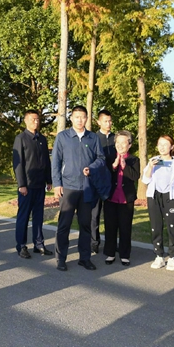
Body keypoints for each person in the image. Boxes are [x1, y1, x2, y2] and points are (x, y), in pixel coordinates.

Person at [51, 106, 106, 271]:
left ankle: (85, 258)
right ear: (71, 118)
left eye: (83, 117)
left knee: (85, 225)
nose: (80, 120)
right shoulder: (63, 137)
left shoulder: (93, 138)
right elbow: (56, 162)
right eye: (76, 117)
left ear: (87, 118)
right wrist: (57, 184)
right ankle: (61, 258)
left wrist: (92, 167)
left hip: (87, 188)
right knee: (64, 225)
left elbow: (101, 158)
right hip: (68, 187)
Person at [12, 110, 53, 259]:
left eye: (37, 119)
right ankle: (21, 246)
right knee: (23, 217)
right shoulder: (21, 138)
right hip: (26, 186)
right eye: (32, 119)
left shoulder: (42, 139)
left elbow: (46, 162)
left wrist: (49, 180)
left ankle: (39, 244)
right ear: (26, 121)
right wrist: (21, 184)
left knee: (38, 217)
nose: (36, 122)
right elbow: (18, 163)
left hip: (40, 185)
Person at [143, 135, 174, 270]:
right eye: (160, 144)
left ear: (171, 147)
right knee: (156, 226)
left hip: (171, 197)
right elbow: (145, 180)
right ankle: (159, 255)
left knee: (172, 227)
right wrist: (150, 166)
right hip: (154, 197)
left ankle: (172, 257)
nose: (162, 147)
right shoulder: (154, 161)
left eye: (165, 144)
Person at [102, 131, 140, 265]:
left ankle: (124, 254)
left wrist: (124, 166)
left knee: (125, 227)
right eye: (118, 142)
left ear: (129, 145)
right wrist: (114, 166)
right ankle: (110, 253)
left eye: (123, 143)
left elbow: (135, 177)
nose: (120, 145)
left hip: (126, 198)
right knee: (110, 226)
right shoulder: (109, 157)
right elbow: (105, 175)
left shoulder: (134, 159)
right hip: (111, 197)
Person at [91, 110, 115, 254]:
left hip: (112, 182)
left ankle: (110, 243)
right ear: (99, 122)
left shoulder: (116, 138)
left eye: (110, 121)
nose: (108, 124)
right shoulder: (94, 138)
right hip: (97, 182)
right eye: (105, 121)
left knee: (111, 215)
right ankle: (94, 242)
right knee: (94, 215)